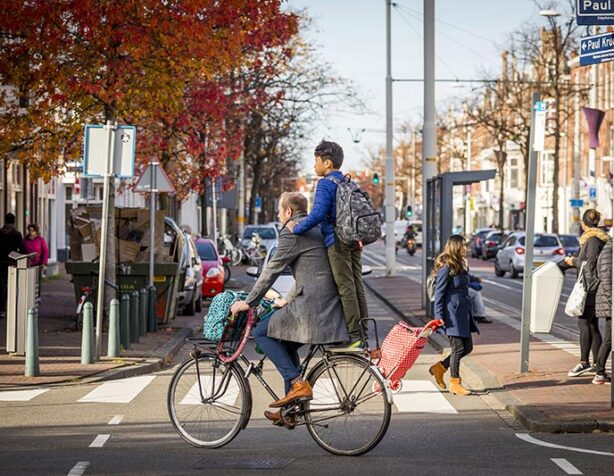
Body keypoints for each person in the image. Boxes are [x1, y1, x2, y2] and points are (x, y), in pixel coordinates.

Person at [230, 192, 348, 425]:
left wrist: (249, 302)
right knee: (285, 341)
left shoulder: (293, 231)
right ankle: (290, 411)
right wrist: (287, 299)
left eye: (279, 211)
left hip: (312, 307)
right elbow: (311, 272)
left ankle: (296, 383)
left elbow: (271, 271)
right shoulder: (316, 228)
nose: (278, 215)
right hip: (329, 306)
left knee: (261, 332)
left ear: (289, 212)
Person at [286, 140, 368, 349]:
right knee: (357, 285)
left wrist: (296, 228)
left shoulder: (325, 184)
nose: (314, 166)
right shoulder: (348, 182)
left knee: (345, 287)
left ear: (328, 163)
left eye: (316, 161)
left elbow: (318, 214)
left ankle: (354, 337)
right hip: (352, 239)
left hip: (337, 241)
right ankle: (363, 333)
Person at [428, 235, 479, 396]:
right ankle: (455, 383)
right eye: (462, 246)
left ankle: (440, 367)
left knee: (468, 347)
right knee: (458, 348)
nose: (465, 249)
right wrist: (438, 316)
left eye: (466, 246)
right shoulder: (446, 268)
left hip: (463, 312)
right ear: (455, 247)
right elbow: (439, 293)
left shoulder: (461, 265)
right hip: (452, 314)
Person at [564, 209, 609, 377]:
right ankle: (597, 365)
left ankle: (585, 363)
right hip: (594, 287)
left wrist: (573, 261)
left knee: (584, 323)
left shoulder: (592, 241)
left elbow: (589, 264)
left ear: (584, 224)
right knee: (592, 324)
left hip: (591, 288)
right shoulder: (596, 239)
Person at [594, 238, 612, 384]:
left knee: (609, 338)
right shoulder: (609, 251)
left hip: (609, 301)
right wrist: (612, 300)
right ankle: (599, 372)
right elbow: (606, 279)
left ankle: (600, 372)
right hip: (609, 302)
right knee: (609, 339)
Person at [0, 213, 25, 317]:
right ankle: (11, 308)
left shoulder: (0, 233)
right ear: (14, 222)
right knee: (12, 285)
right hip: (12, 262)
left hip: (0, 263)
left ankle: (2, 309)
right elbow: (22, 248)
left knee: (1, 286)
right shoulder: (16, 234)